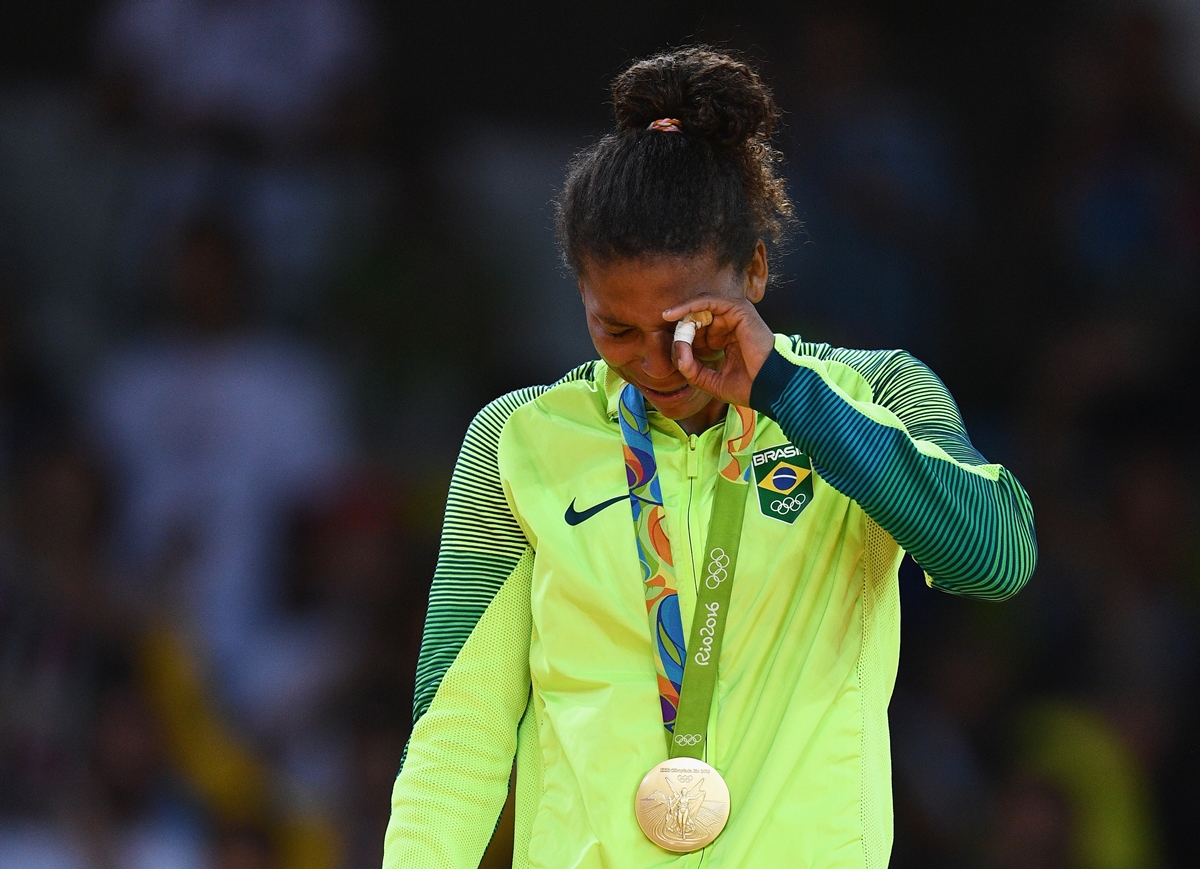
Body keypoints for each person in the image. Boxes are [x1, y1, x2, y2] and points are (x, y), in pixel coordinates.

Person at [383, 47, 1037, 868]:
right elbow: (455, 739)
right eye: (616, 329)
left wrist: (785, 393)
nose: (659, 363)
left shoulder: (874, 396)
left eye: (688, 325)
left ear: (755, 269)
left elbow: (997, 555)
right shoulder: (520, 440)